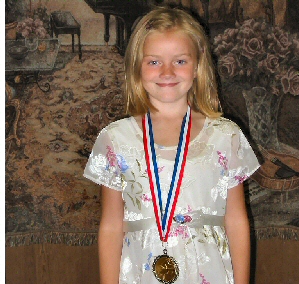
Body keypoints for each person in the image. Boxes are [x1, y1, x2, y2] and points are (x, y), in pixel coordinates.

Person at [84, 6, 260, 284]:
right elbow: (110, 225)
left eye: (180, 61)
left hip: (209, 271)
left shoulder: (226, 136)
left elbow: (237, 221)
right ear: (136, 66)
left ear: (198, 65)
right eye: (154, 62)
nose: (167, 72)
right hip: (140, 271)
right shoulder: (115, 139)